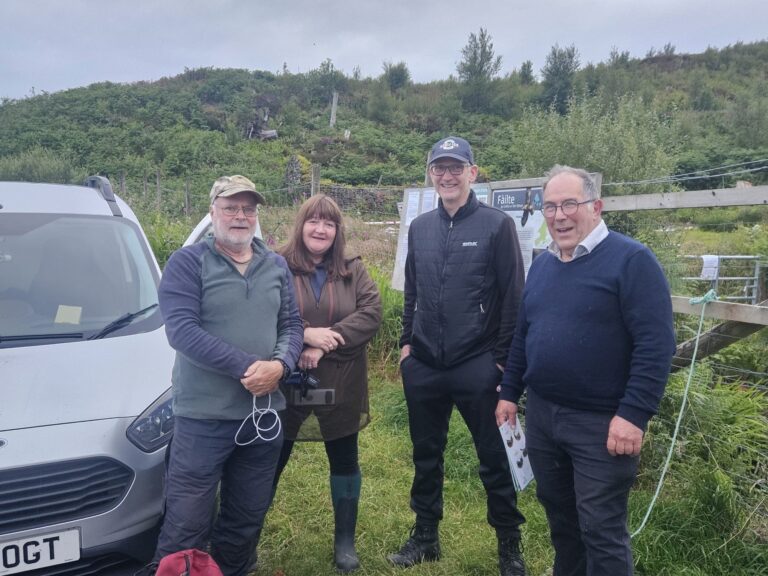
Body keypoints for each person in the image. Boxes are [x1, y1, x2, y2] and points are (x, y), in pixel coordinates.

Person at [495, 165, 676, 576]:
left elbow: (656, 345)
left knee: (601, 527)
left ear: (596, 206)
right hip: (543, 417)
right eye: (550, 206)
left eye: (570, 204)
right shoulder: (543, 265)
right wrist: (509, 392)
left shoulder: (632, 261)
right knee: (561, 521)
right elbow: (525, 335)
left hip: (602, 424)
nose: (559, 215)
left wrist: (633, 415)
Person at [150, 175, 304, 576]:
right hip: (204, 417)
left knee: (246, 517)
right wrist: (248, 368)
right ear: (213, 211)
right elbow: (182, 331)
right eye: (231, 207)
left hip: (263, 416)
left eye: (248, 209)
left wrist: (281, 366)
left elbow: (292, 325)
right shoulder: (187, 263)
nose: (240, 216)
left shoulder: (276, 265)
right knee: (187, 522)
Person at [389, 136, 527, 576]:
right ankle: (425, 535)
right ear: (430, 174)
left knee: (493, 457)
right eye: (438, 168)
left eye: (456, 167)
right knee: (426, 454)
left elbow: (513, 298)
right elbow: (413, 289)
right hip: (425, 364)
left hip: (478, 364)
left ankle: (509, 545)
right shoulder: (420, 228)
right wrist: (406, 345)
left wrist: (503, 362)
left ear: (473, 173)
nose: (447, 175)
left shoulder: (496, 225)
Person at [272, 194, 382, 573]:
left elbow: (371, 313)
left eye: (329, 223)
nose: (321, 229)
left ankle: (345, 541)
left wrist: (324, 340)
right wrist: (303, 336)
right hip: (285, 379)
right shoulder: (277, 266)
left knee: (344, 456)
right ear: (301, 225)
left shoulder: (353, 269)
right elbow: (267, 311)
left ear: (338, 231)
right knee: (272, 456)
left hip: (341, 377)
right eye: (314, 221)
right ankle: (245, 533)